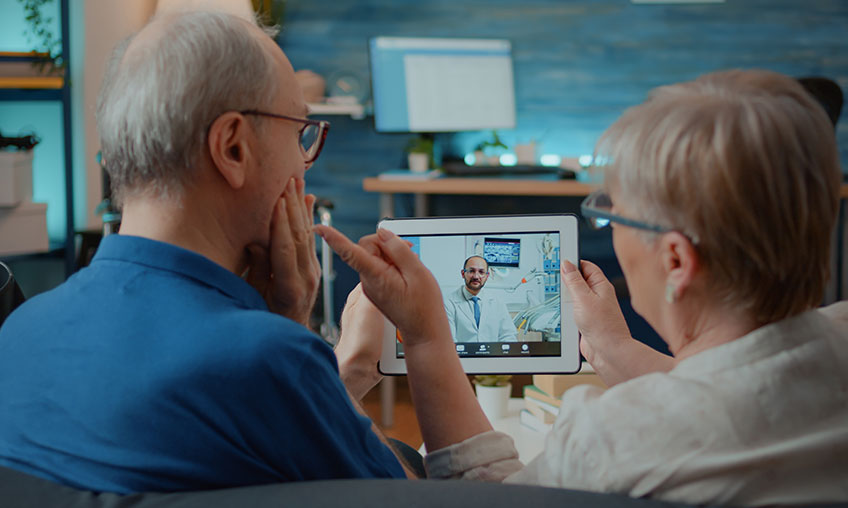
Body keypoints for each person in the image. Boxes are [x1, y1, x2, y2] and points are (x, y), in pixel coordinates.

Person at [317, 69, 848, 506]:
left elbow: (489, 499)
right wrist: (615, 349)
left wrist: (426, 338)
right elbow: (748, 382)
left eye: (615, 215)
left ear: (675, 259)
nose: (611, 229)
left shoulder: (621, 434)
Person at [0, 10, 409, 494]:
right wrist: (402, 344)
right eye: (300, 133)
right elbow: (415, 497)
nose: (305, 163)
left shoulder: (19, 331)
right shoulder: (267, 359)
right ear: (233, 147)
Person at [444, 256, 517, 342]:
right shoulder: (448, 303)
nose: (476, 276)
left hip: (493, 354)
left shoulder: (497, 303)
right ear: (463, 274)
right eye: (471, 271)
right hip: (460, 355)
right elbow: (449, 340)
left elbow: (508, 336)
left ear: (487, 276)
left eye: (481, 272)